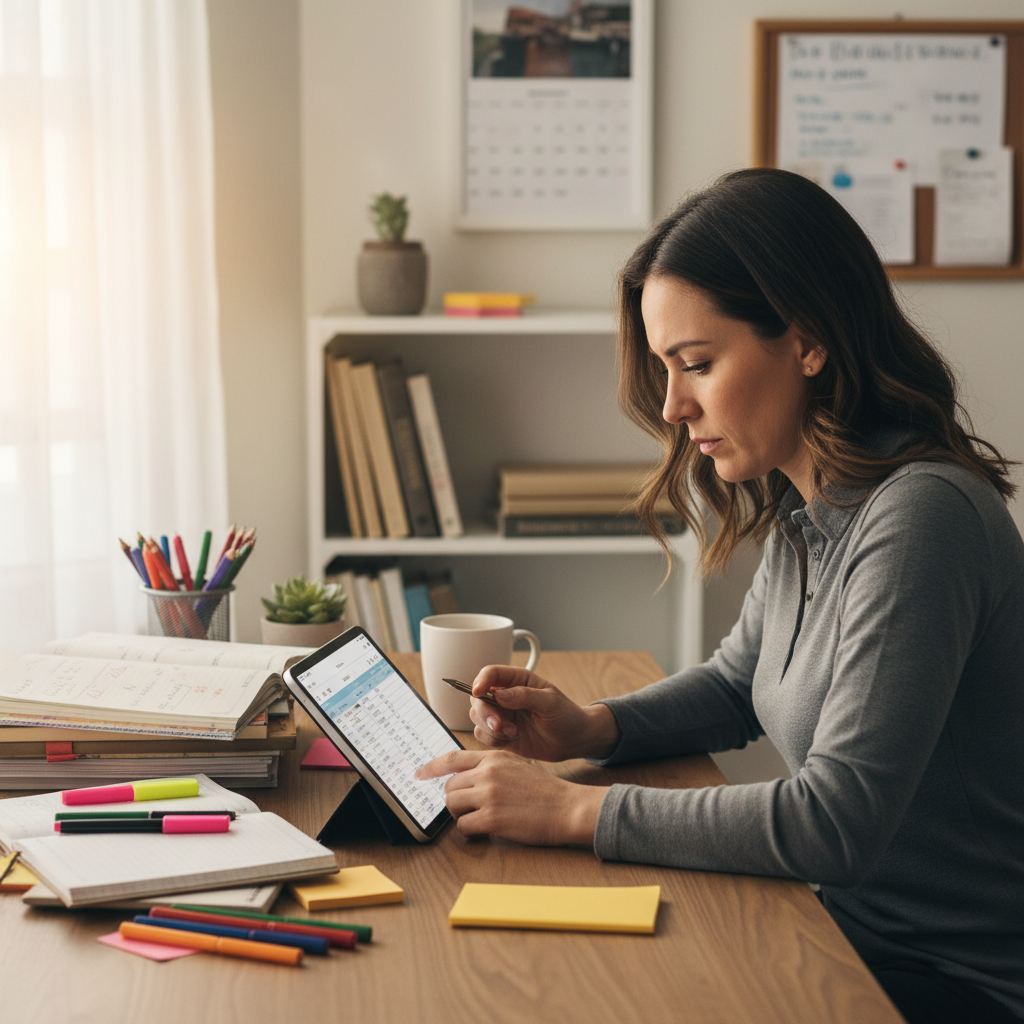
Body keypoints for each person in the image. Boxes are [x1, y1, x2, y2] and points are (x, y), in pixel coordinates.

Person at [418, 168, 1024, 1024]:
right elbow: (741, 681)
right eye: (667, 369)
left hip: (953, 983)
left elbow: (835, 823)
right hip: (841, 933)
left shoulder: (923, 519)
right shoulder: (814, 503)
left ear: (808, 341)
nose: (672, 405)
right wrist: (592, 728)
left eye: (696, 363)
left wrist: (572, 809)